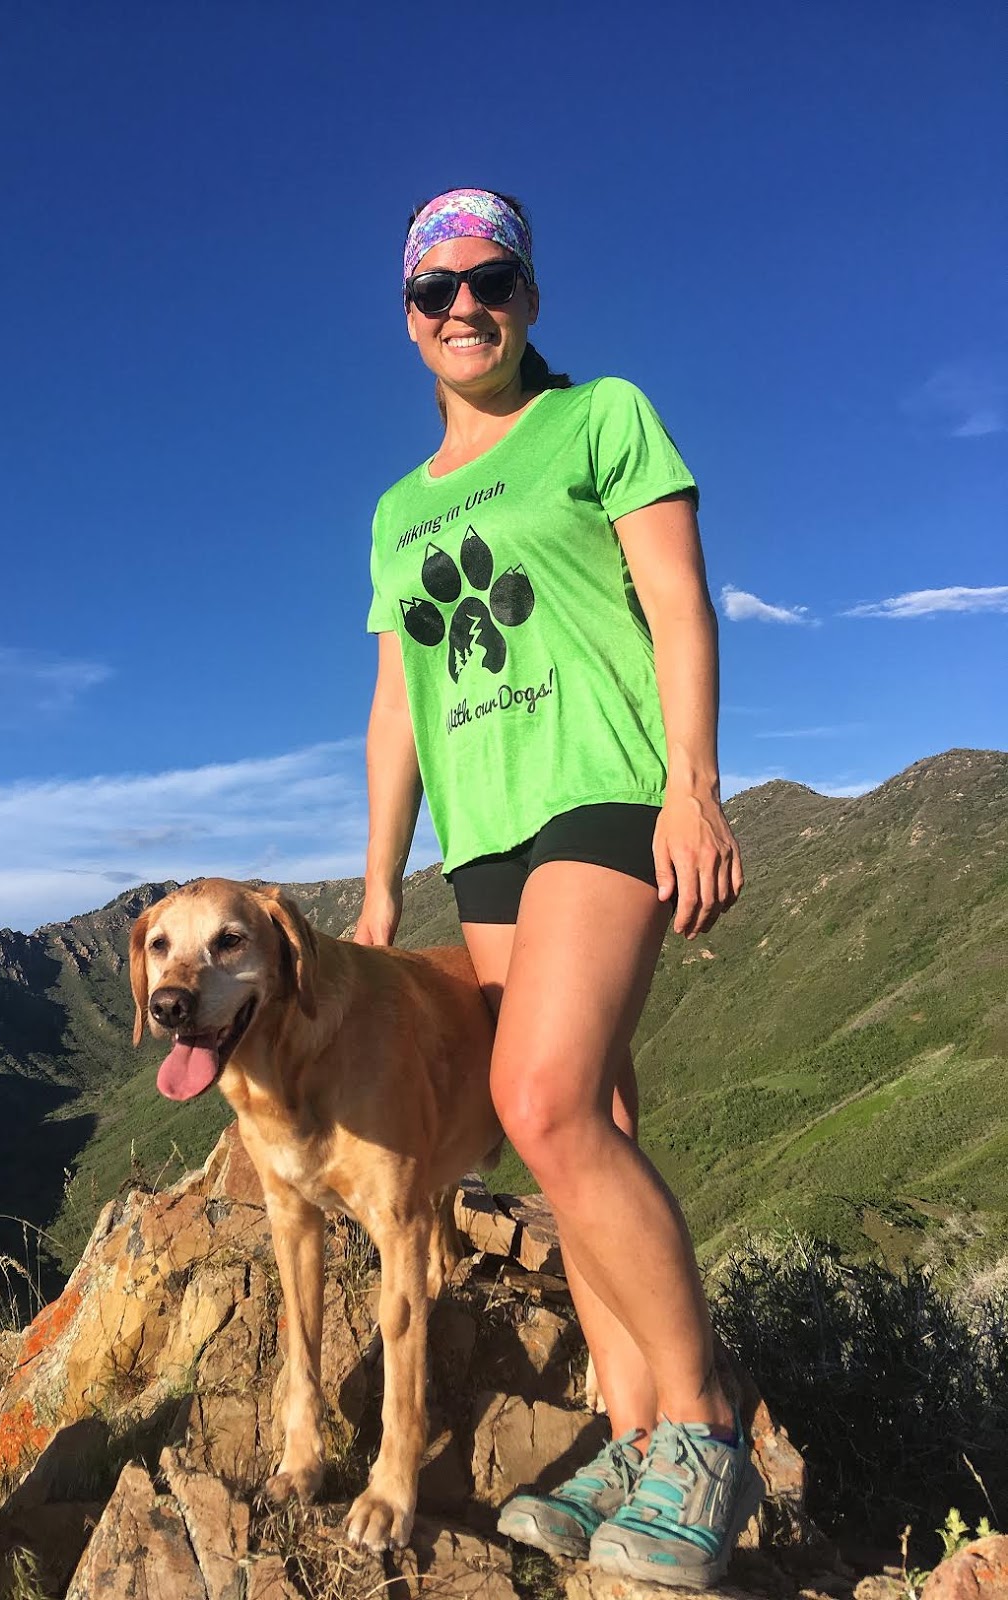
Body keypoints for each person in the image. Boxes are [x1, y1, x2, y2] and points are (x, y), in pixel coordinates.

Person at [353, 188, 762, 1589]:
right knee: (579, 1128)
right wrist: (372, 893)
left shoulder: (603, 420)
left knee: (540, 1098)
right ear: (408, 316)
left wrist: (694, 786)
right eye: (435, 290)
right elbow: (399, 706)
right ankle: (634, 1434)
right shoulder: (397, 511)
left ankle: (708, 1431)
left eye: (492, 280)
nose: (463, 307)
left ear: (529, 296)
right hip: (484, 836)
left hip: (604, 788)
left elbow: (676, 600)